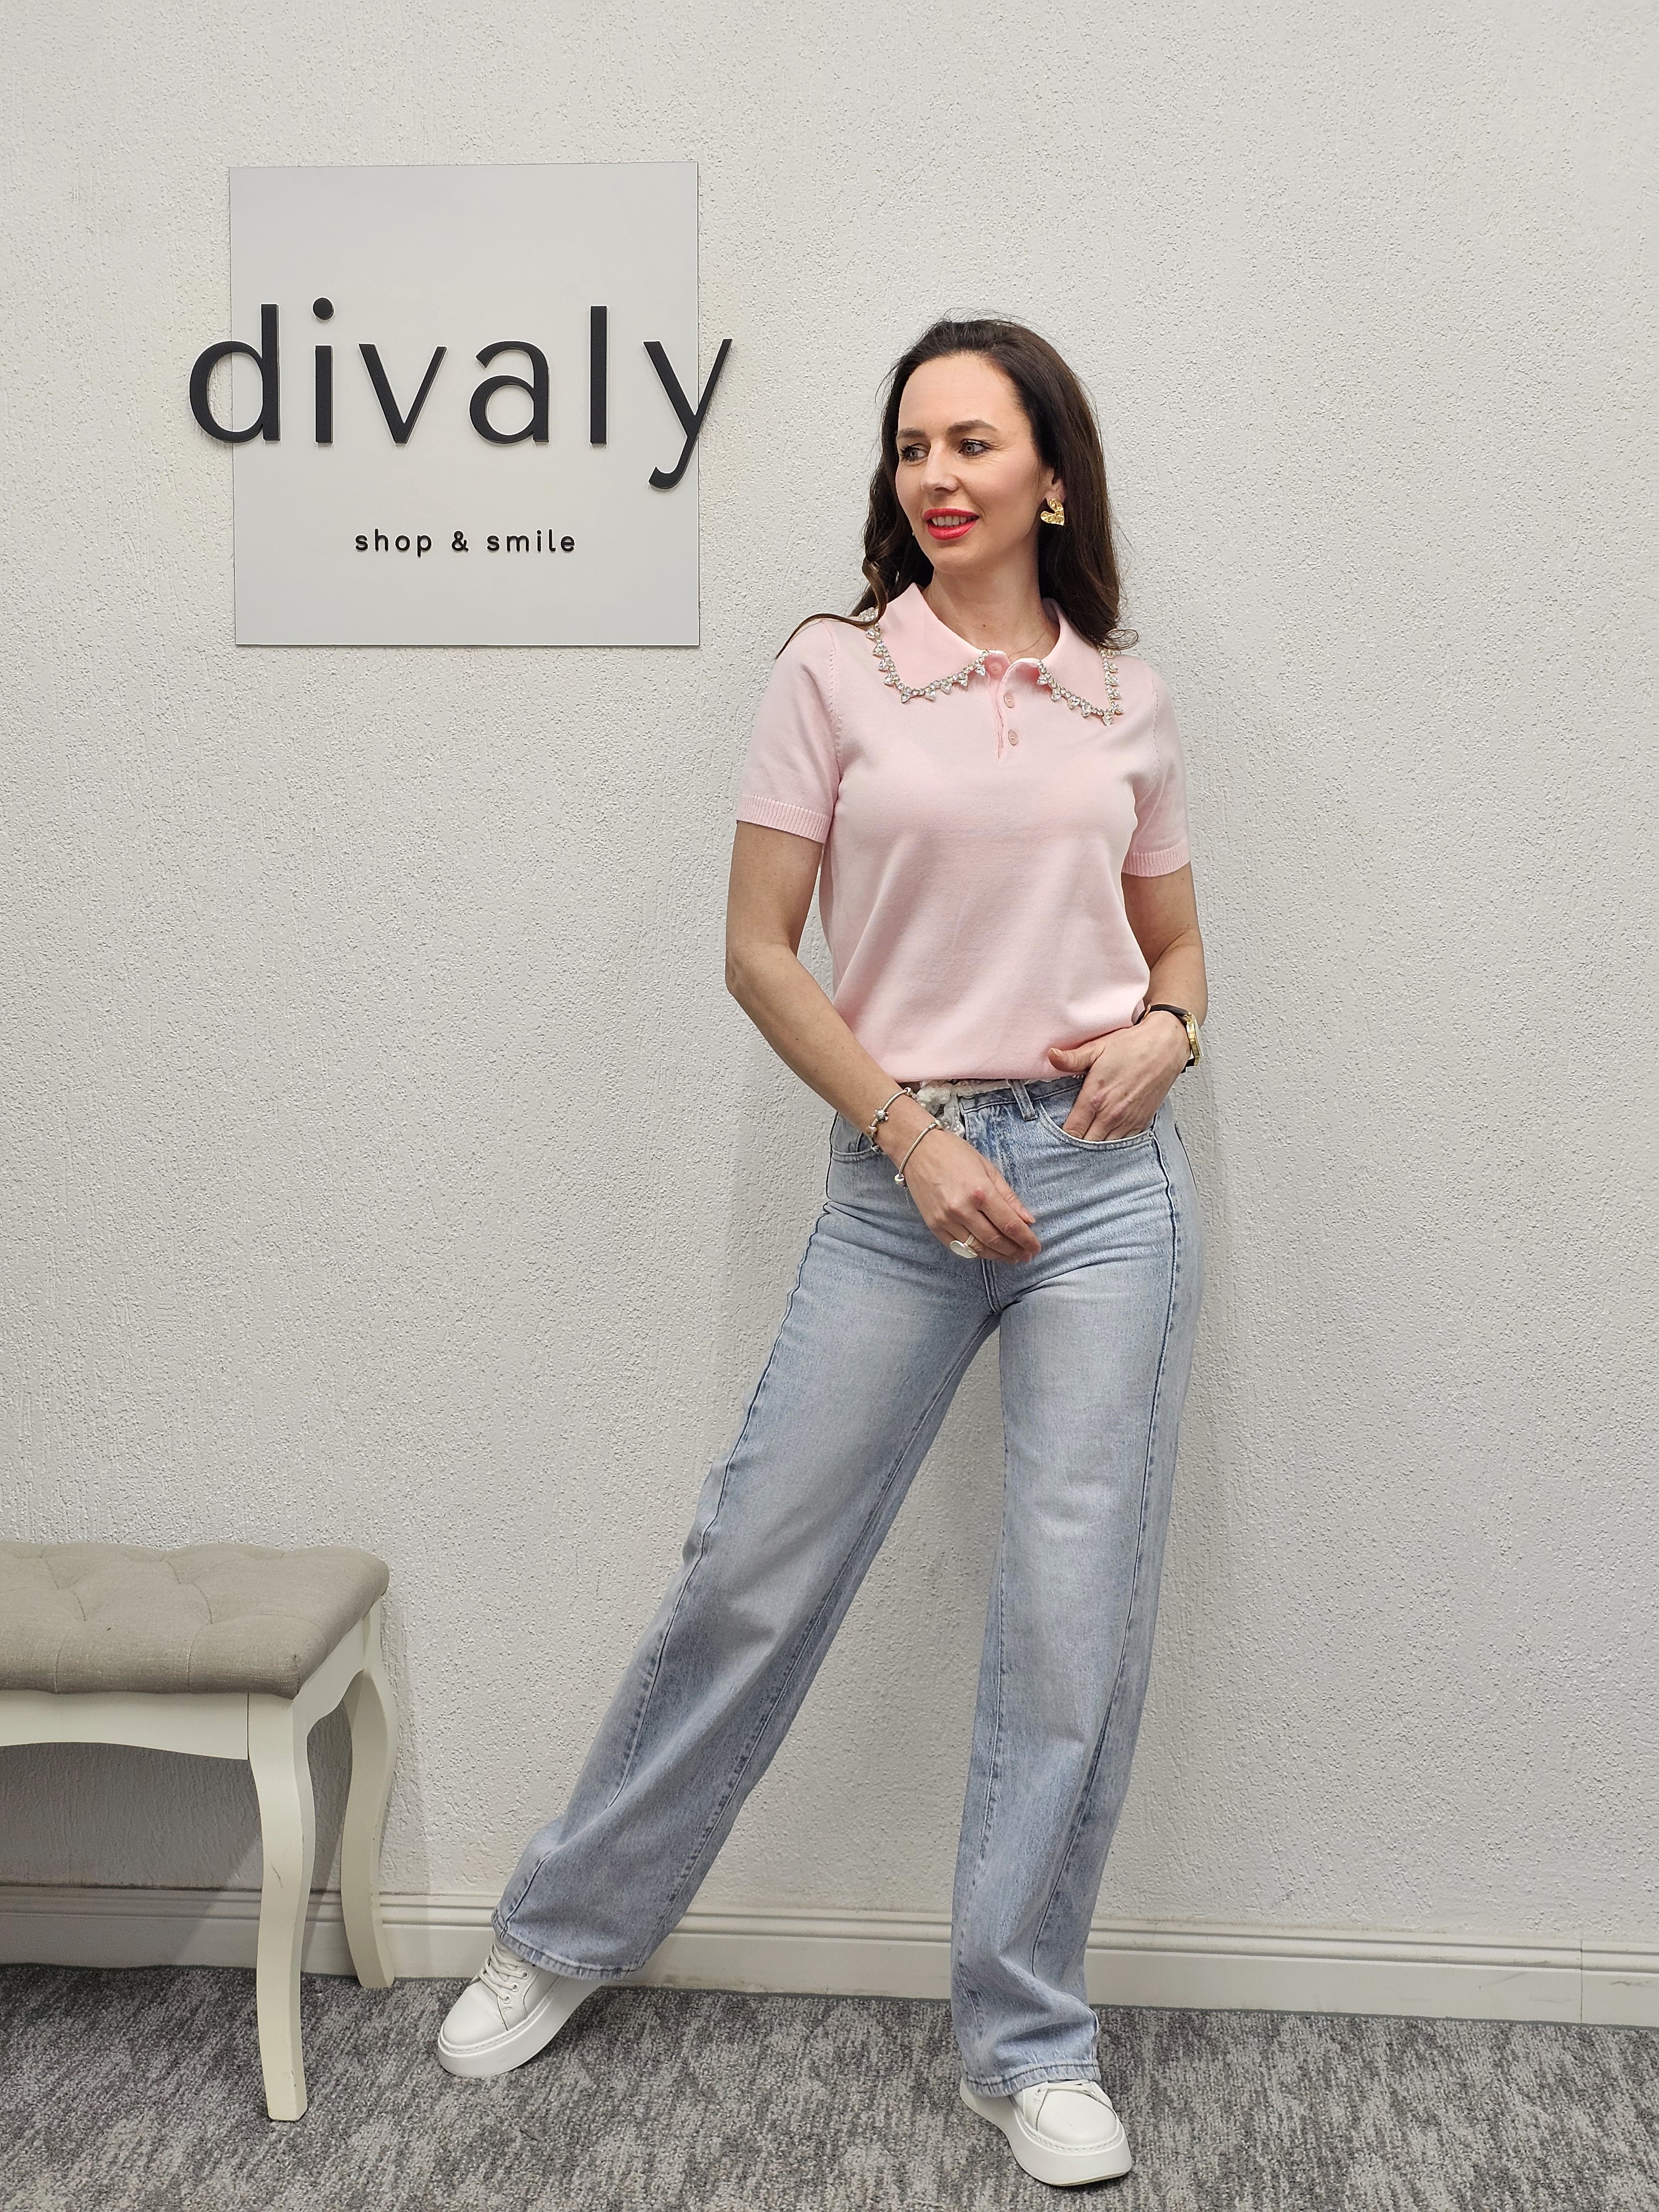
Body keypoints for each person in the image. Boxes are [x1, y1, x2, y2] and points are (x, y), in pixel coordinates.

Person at [436, 315, 1208, 2190]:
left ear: (1052, 477)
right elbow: (760, 951)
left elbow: (1178, 949)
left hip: (1104, 1188)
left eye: (973, 444)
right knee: (754, 1568)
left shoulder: (1124, 697)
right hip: (899, 1174)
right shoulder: (838, 669)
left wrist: (1171, 1032)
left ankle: (1026, 2042)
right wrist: (913, 1138)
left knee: (1072, 1621)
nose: (936, 476)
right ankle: (563, 1930)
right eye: (911, 447)